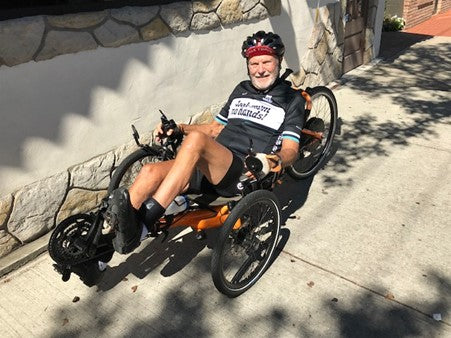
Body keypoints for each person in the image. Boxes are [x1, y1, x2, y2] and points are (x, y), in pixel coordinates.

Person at [107, 31, 305, 254]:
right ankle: (100, 252)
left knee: (197, 141)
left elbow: (291, 150)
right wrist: (179, 128)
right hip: (209, 163)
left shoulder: (292, 100)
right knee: (150, 171)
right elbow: (214, 128)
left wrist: (274, 159)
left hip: (240, 172)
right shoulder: (241, 90)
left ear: (278, 61)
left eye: (266, 62)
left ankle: (143, 225)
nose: (260, 69)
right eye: (254, 63)